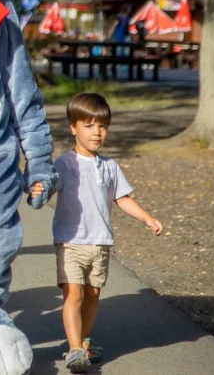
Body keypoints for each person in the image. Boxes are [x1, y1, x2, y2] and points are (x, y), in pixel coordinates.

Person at [34, 93, 163, 373]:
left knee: (92, 294)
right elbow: (47, 189)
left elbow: (122, 198)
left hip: (100, 242)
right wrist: (37, 188)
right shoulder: (64, 165)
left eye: (102, 126)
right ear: (73, 128)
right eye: (89, 125)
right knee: (74, 294)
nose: (97, 132)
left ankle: (84, 340)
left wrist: (146, 217)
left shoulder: (110, 166)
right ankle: (74, 349)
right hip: (71, 241)